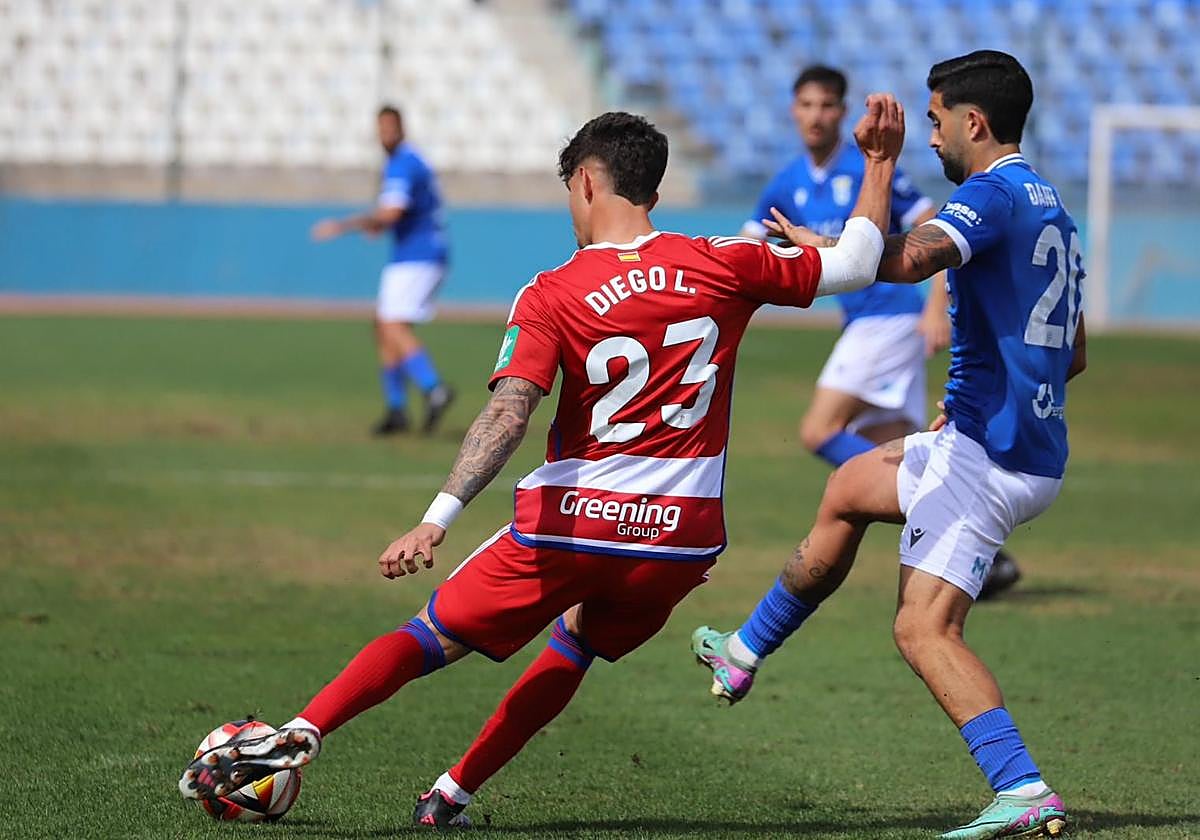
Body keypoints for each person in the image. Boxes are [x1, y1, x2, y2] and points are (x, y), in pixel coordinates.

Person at [179, 98, 906, 827]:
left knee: (428, 637)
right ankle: (451, 795)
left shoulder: (553, 291)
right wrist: (878, 162)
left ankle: (298, 734)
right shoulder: (722, 261)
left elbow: (508, 412)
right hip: (680, 541)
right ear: (650, 188)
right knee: (578, 644)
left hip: (571, 528)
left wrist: (437, 518)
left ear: (587, 184)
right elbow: (859, 262)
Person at [693, 51, 1084, 839]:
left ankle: (1024, 789)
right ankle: (743, 648)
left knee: (921, 629)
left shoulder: (991, 194)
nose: (930, 136)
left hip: (991, 458)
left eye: (936, 120)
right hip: (1006, 440)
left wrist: (876, 166)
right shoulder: (1053, 208)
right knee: (849, 490)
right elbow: (1072, 353)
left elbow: (902, 263)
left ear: (973, 122)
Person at [746, 65, 1020, 599]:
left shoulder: (868, 167)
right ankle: (979, 556)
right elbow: (748, 245)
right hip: (865, 323)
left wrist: (936, 305)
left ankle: (957, 532)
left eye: (827, 105)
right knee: (890, 454)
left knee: (818, 430)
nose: (816, 116)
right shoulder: (787, 181)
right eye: (806, 105)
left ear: (842, 112)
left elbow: (936, 228)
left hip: (889, 317)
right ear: (792, 111)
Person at [311, 105, 454, 435]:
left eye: (390, 127)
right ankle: (397, 410)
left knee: (390, 324)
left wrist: (343, 225)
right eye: (381, 128)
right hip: (417, 251)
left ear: (402, 128)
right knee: (384, 324)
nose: (385, 134)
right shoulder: (406, 161)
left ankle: (434, 388)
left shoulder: (403, 163)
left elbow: (391, 212)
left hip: (419, 254)